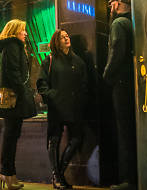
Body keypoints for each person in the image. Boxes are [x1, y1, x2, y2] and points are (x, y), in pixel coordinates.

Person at [37, 29, 88, 189]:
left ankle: (59, 172)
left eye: (67, 36)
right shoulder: (50, 60)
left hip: (74, 107)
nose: (66, 38)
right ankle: (57, 176)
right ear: (56, 42)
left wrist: (80, 100)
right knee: (54, 139)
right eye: (62, 37)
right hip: (56, 107)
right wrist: (52, 96)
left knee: (76, 139)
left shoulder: (78, 61)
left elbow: (84, 84)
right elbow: (41, 83)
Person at [0, 19, 37, 190]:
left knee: (12, 135)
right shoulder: (12, 46)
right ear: (14, 31)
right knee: (11, 135)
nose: (25, 33)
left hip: (16, 98)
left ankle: (9, 173)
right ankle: (6, 172)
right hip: (14, 99)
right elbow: (12, 72)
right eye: (23, 30)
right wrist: (23, 91)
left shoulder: (14, 46)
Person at [102, 0, 136, 190]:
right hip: (132, 81)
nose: (109, 8)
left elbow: (116, 51)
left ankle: (128, 180)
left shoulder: (118, 24)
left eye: (111, 5)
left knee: (124, 131)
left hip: (121, 82)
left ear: (118, 4)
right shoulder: (133, 22)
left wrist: (107, 76)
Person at [69, 34, 98, 126]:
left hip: (75, 97)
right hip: (88, 93)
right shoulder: (87, 55)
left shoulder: (70, 58)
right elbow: (92, 75)